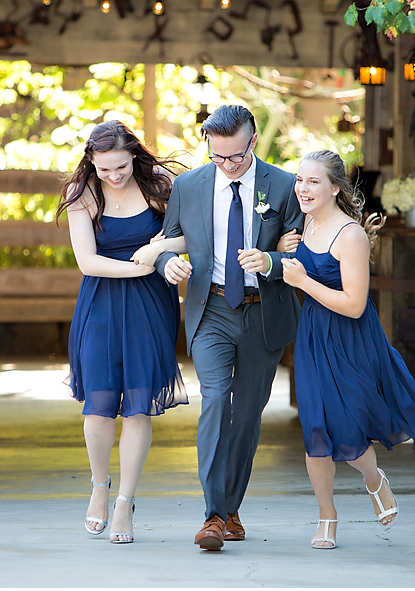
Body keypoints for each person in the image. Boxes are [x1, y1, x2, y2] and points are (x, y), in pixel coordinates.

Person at [150, 105, 304, 551]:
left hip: (263, 313)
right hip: (211, 308)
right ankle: (214, 516)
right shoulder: (188, 185)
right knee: (215, 401)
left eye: (234, 157)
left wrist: (272, 260)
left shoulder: (285, 185)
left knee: (249, 413)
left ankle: (231, 508)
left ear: (253, 141)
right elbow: (166, 242)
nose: (226, 165)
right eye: (217, 157)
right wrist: (168, 264)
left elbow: (302, 249)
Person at [281, 150, 415, 549]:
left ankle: (374, 479)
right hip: (314, 337)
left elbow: (354, 304)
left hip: (350, 337)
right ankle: (327, 516)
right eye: (300, 180)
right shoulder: (303, 223)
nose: (303, 188)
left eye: (313, 181)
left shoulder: (350, 235)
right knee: (316, 429)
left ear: (335, 188)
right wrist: (282, 246)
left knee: (348, 424)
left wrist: (303, 282)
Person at [57, 120, 188, 544]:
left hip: (150, 306)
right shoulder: (82, 195)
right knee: (97, 405)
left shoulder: (160, 185)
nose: (114, 176)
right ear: (91, 162)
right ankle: (99, 486)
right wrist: (143, 265)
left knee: (136, 405)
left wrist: (159, 248)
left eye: (121, 167)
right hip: (100, 303)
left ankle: (125, 503)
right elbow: (88, 263)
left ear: (134, 154)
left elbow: (189, 236)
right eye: (105, 168)